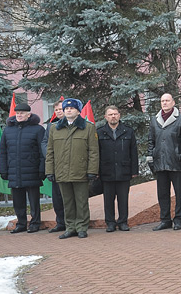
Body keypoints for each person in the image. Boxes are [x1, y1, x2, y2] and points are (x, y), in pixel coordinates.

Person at [45, 98, 99, 239]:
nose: (68, 110)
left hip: (80, 171)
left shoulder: (88, 127)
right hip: (62, 172)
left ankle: (81, 227)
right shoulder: (54, 129)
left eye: (72, 108)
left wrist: (92, 170)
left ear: (78, 111)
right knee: (67, 202)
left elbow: (93, 152)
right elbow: (50, 152)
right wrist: (49, 171)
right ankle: (70, 227)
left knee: (81, 201)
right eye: (66, 108)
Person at [147, 93, 181, 231]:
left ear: (173, 102)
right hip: (160, 162)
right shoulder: (155, 120)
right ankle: (165, 219)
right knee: (162, 193)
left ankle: (178, 219)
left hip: (176, 161)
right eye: (162, 101)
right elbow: (151, 141)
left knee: (179, 193)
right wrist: (150, 156)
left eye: (167, 100)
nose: (164, 103)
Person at [0, 102, 45, 233]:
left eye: (22, 113)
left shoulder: (38, 129)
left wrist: (42, 169)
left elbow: (43, 152)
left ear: (29, 115)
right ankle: (21, 224)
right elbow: (3, 152)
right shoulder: (8, 130)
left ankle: (35, 223)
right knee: (18, 201)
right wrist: (3, 170)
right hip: (14, 171)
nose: (19, 115)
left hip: (32, 171)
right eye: (17, 113)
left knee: (34, 200)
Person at [96, 105, 138, 232]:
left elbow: (133, 152)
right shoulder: (99, 132)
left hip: (123, 170)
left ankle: (123, 222)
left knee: (123, 199)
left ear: (119, 115)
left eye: (115, 114)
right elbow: (96, 153)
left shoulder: (128, 131)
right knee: (108, 200)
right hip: (106, 171)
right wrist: (96, 171)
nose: (113, 116)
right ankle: (110, 223)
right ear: (105, 117)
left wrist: (134, 170)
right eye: (110, 114)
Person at [42, 101, 66, 232]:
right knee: (57, 197)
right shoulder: (51, 126)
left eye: (61, 109)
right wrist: (50, 154)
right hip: (56, 166)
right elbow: (45, 143)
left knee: (69, 197)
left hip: (69, 166)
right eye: (56, 109)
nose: (58, 111)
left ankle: (72, 223)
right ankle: (60, 222)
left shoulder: (73, 125)